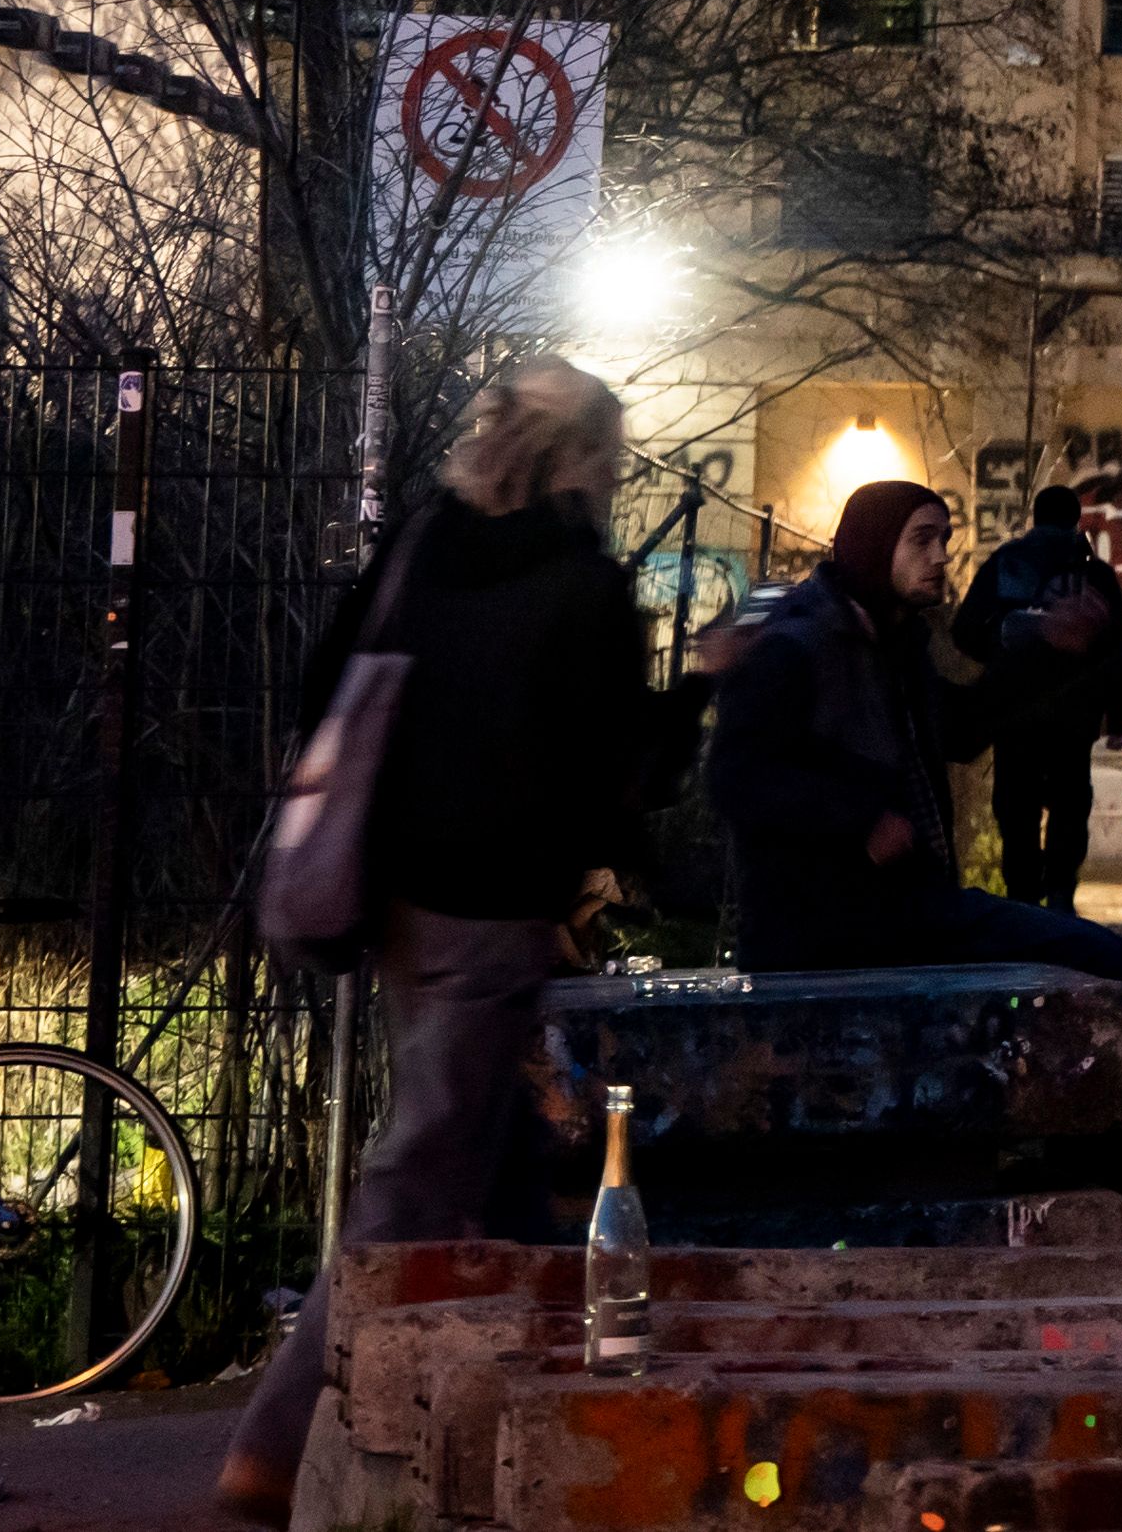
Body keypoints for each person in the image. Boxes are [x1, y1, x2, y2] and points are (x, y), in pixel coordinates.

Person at [219, 365, 725, 1526]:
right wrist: (698, 685)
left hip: (394, 897)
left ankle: (520, 1423)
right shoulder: (583, 584)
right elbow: (618, 775)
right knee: (418, 1175)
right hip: (490, 913)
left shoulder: (421, 547)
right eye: (614, 457)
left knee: (495, 1167)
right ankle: (271, 1445)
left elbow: (325, 690)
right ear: (584, 457)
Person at [706, 472, 1122, 1214]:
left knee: (1098, 961)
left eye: (945, 540)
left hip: (903, 906)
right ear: (875, 546)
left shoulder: (895, 642)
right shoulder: (797, 643)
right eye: (922, 540)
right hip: (830, 924)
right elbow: (736, 776)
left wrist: (1050, 651)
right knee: (1102, 958)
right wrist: (858, 819)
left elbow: (961, 728)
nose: (940, 557)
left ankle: (1104, 1178)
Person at [958, 484, 1122, 911]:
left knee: (1016, 809)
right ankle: (1060, 895)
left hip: (1014, 710)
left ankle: (1022, 897)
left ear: (1035, 517)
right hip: (1075, 713)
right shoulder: (1096, 575)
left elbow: (963, 629)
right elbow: (1114, 650)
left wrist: (1001, 649)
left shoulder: (1005, 564)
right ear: (1076, 520)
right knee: (1070, 805)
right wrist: (1121, 714)